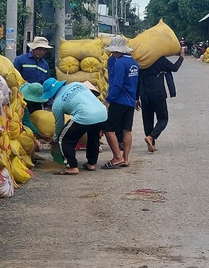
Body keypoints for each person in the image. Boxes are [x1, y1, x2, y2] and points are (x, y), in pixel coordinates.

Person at [42, 77, 107, 175]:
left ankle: (72, 166)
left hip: (85, 115)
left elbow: (59, 125)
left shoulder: (57, 103)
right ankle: (91, 164)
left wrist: (55, 139)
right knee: (93, 137)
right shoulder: (77, 84)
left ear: (51, 94)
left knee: (64, 139)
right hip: (102, 113)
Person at [100, 36, 139, 169]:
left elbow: (117, 84)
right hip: (130, 102)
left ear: (117, 51)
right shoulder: (133, 62)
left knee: (107, 127)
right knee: (126, 130)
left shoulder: (119, 63)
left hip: (119, 100)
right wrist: (135, 99)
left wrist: (108, 100)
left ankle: (117, 157)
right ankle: (126, 159)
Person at [138, 46, 185, 152]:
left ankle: (151, 144)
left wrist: (136, 98)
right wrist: (181, 57)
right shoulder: (160, 59)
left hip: (144, 95)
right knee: (163, 118)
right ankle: (151, 137)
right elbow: (174, 68)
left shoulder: (142, 60)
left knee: (147, 120)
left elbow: (137, 80)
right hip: (158, 94)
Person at [14, 36, 52, 112]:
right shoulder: (20, 60)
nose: (41, 52)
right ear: (33, 48)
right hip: (22, 98)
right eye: (39, 49)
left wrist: (49, 102)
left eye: (44, 50)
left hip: (37, 99)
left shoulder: (45, 65)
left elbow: (47, 83)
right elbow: (14, 78)